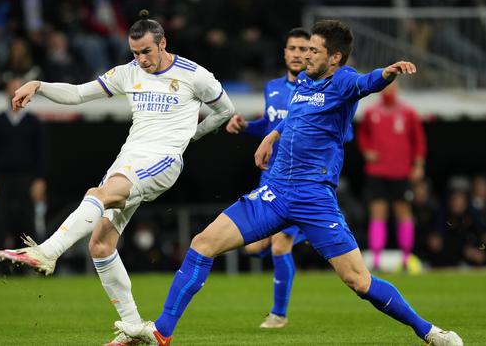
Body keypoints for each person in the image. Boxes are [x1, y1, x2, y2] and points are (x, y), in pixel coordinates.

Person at [115, 20, 462, 346]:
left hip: (314, 198)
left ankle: (430, 332)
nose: (305, 55)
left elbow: (365, 83)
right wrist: (271, 135)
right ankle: (161, 333)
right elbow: (296, 119)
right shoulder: (303, 85)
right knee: (203, 243)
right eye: (303, 49)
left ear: (334, 57)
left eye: (313, 50)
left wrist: (386, 74)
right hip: (275, 191)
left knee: (359, 281)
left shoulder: (342, 81)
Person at [0, 10, 234, 346]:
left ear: (163, 43)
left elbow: (226, 111)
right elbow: (79, 94)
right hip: (128, 160)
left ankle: (47, 251)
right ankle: (135, 328)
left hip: (162, 160)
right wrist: (39, 85)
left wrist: (192, 136)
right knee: (100, 244)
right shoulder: (128, 73)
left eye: (146, 52)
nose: (141, 59)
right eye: (135, 53)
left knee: (101, 192)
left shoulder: (195, 75)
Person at [225, 28, 311, 329]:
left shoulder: (316, 89)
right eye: (293, 48)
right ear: (285, 53)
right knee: (254, 247)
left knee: (279, 246)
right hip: (270, 178)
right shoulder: (273, 87)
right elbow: (269, 125)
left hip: (300, 179)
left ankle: (278, 315)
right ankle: (300, 235)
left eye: (304, 48)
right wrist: (245, 126)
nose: (298, 53)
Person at [0, 78, 48, 275]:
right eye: (11, 91)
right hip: (1, 178)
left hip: (27, 178)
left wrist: (40, 179)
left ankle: (31, 264)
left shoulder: (35, 123)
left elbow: (43, 153)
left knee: (28, 221)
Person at [357, 82, 426, 270]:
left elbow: (418, 141)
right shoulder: (371, 112)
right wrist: (367, 151)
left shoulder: (408, 112)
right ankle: (377, 260)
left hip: (401, 171)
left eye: (393, 86)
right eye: (387, 86)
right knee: (378, 213)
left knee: (403, 212)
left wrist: (418, 165)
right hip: (377, 172)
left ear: (398, 88)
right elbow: (362, 136)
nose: (389, 90)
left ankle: (405, 258)